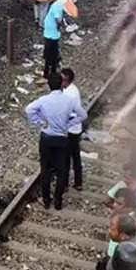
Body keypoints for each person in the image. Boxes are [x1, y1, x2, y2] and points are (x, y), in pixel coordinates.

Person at [24, 76, 87, 210]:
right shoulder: (69, 100)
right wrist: (69, 124)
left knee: (45, 169)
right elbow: (83, 115)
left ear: (49, 86)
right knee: (62, 170)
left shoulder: (44, 100)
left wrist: (40, 122)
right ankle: (58, 201)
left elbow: (28, 110)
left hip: (46, 138)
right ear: (61, 85)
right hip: (62, 139)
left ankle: (46, 200)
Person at [60, 67, 85, 191]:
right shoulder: (73, 89)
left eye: (62, 79)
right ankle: (78, 182)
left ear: (66, 81)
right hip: (76, 129)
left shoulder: (69, 94)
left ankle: (64, 184)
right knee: (76, 156)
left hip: (71, 130)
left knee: (66, 158)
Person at [42, 0, 71, 81]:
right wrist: (61, 25)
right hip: (52, 33)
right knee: (53, 53)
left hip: (48, 31)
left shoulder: (55, 4)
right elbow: (58, 19)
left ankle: (47, 71)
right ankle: (51, 71)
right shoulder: (58, 6)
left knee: (49, 52)